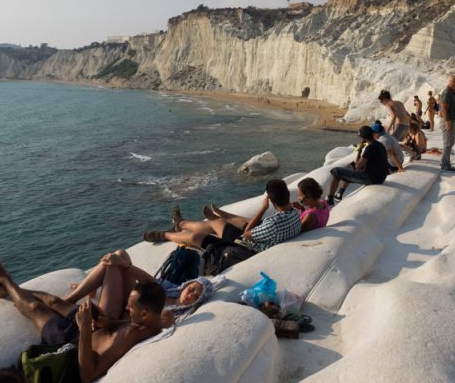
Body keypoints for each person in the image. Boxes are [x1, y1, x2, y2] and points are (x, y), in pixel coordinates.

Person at [0, 252, 172, 383]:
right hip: (89, 327)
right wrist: (111, 322)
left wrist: (86, 328)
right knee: (52, 300)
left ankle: (5, 279)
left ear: (145, 313)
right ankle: (8, 291)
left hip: (74, 346)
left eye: (130, 305)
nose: (127, 307)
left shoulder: (132, 335)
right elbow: (148, 316)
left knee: (36, 308)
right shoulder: (156, 319)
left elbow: (88, 375)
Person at [144, 179, 301, 253]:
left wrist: (262, 209)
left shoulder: (273, 222)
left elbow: (246, 235)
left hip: (244, 247)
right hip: (267, 237)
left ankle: (175, 228)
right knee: (246, 221)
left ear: (271, 201)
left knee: (204, 233)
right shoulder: (295, 214)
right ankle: (188, 222)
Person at [63, 249, 213, 320]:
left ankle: (72, 299)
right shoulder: (173, 290)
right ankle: (83, 292)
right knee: (119, 255)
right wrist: (125, 264)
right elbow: (149, 280)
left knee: (113, 265)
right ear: (186, 285)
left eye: (197, 296)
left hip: (118, 316)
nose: (192, 294)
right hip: (130, 298)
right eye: (193, 289)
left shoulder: (176, 313)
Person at [327, 125, 389, 204]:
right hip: (381, 177)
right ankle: (340, 193)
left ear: (363, 138)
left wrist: (359, 150)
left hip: (372, 178)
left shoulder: (370, 147)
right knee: (351, 168)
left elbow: (357, 166)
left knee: (336, 171)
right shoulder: (379, 144)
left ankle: (330, 199)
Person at [438, 75, 455, 171]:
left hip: (451, 121)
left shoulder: (451, 92)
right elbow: (443, 108)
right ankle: (445, 164)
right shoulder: (447, 92)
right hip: (448, 121)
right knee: (447, 143)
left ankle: (446, 162)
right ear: (454, 82)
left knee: (450, 142)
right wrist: (448, 121)